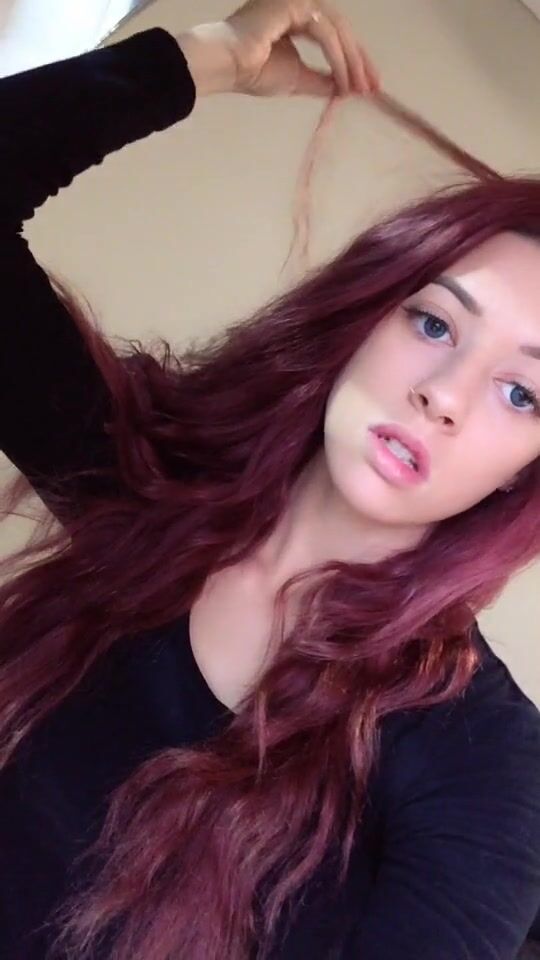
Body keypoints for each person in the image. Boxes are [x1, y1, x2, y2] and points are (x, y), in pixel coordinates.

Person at [0, 1, 539, 958]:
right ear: (363, 320)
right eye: (433, 324)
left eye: (522, 394)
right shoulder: (147, 484)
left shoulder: (482, 767)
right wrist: (201, 61)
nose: (445, 396)